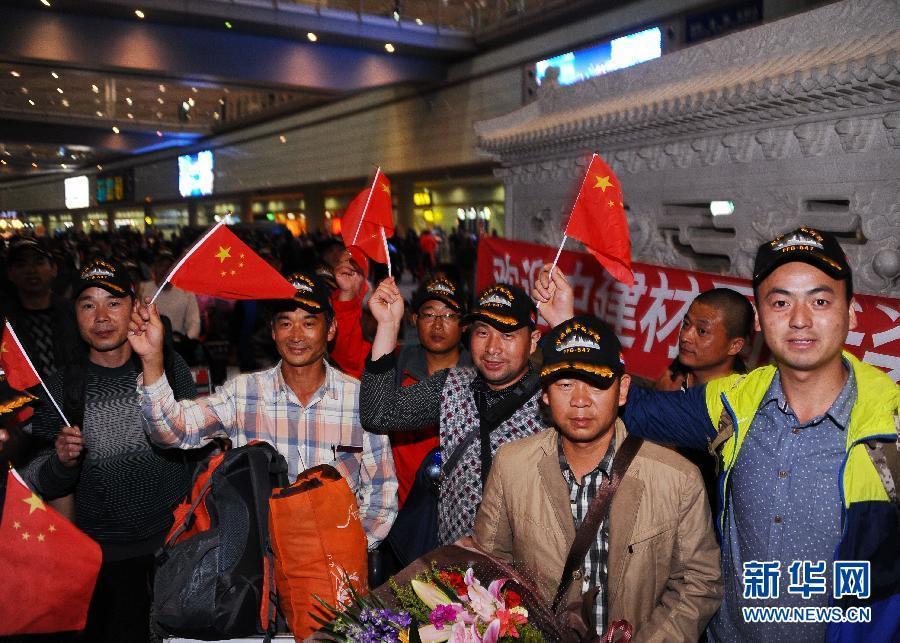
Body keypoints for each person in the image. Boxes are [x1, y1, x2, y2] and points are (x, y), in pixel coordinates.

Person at [533, 227, 900, 642]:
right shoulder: (733, 402)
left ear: (851, 312)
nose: (800, 319)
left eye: (820, 301)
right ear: (759, 318)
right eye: (781, 302)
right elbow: (635, 407)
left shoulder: (891, 426)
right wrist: (566, 327)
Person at [475, 315, 722, 639]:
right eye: (565, 384)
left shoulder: (677, 479)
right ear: (545, 393)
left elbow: (698, 583)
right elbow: (490, 567)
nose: (580, 400)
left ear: (623, 390)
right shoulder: (512, 465)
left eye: (596, 384)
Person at [131, 271, 398, 549]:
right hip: (260, 563)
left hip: (336, 562)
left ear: (330, 329)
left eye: (309, 323)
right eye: (286, 323)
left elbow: (382, 493)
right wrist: (151, 360)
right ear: (273, 331)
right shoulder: (244, 394)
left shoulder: (359, 400)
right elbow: (172, 432)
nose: (296, 335)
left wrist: (349, 550)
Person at [20, 259, 199, 643]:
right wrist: (60, 462)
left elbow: (199, 446)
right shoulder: (61, 386)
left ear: (135, 306)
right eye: (88, 305)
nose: (101, 317)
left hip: (176, 548)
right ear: (75, 314)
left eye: (113, 303)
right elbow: (35, 477)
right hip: (103, 561)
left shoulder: (169, 368)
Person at [360, 280, 543, 545]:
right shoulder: (452, 385)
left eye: (507, 335)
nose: (492, 348)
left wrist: (564, 322)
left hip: (524, 562)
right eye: (483, 332)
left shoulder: (552, 401)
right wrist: (388, 326)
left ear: (533, 341)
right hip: (454, 561)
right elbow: (378, 413)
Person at [1, 238, 81, 381]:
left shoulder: (75, 313)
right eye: (21, 264)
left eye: (39, 262)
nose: (31, 270)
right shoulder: (5, 322)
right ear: (10, 273)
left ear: (54, 269)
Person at [656, 288, 754, 391]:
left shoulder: (739, 397)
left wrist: (668, 399)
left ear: (734, 346)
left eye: (702, 331)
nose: (685, 337)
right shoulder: (674, 376)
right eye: (686, 324)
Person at [138, 249, 201, 340]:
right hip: (149, 342)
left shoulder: (187, 293)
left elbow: (194, 322)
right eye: (161, 265)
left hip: (178, 343)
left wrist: (186, 341)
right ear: (154, 268)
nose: (165, 270)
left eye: (169, 266)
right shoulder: (143, 289)